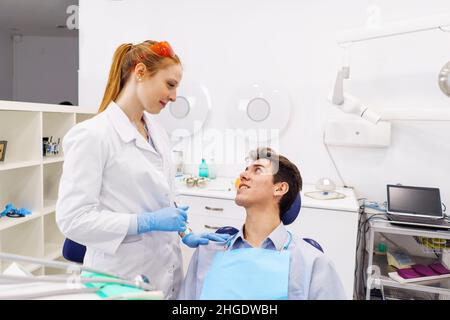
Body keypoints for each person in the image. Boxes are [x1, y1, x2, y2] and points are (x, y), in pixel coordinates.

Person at [56, 40, 228, 299]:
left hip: (164, 271)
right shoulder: (92, 135)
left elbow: (167, 197)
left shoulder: (157, 132)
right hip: (119, 277)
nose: (174, 96)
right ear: (139, 72)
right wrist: (144, 222)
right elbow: (73, 220)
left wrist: (185, 232)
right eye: (170, 84)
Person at [178, 148, 346, 300]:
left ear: (279, 189)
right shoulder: (208, 251)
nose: (243, 175)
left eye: (257, 170)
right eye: (245, 170)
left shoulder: (312, 263)